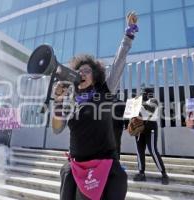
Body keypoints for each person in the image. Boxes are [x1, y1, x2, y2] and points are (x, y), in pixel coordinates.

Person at [52, 11, 138, 200]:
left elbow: (119, 62)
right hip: (76, 169)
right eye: (79, 71)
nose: (82, 74)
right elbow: (57, 129)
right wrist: (58, 101)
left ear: (95, 75)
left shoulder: (104, 93)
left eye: (86, 71)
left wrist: (129, 34)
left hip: (103, 167)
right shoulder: (71, 102)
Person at [127, 88, 169, 185]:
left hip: (151, 127)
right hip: (139, 127)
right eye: (142, 93)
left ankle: (164, 174)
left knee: (153, 150)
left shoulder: (153, 100)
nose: (142, 95)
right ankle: (141, 173)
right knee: (139, 151)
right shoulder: (138, 103)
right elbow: (132, 114)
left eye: (144, 93)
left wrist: (140, 102)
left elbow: (151, 109)